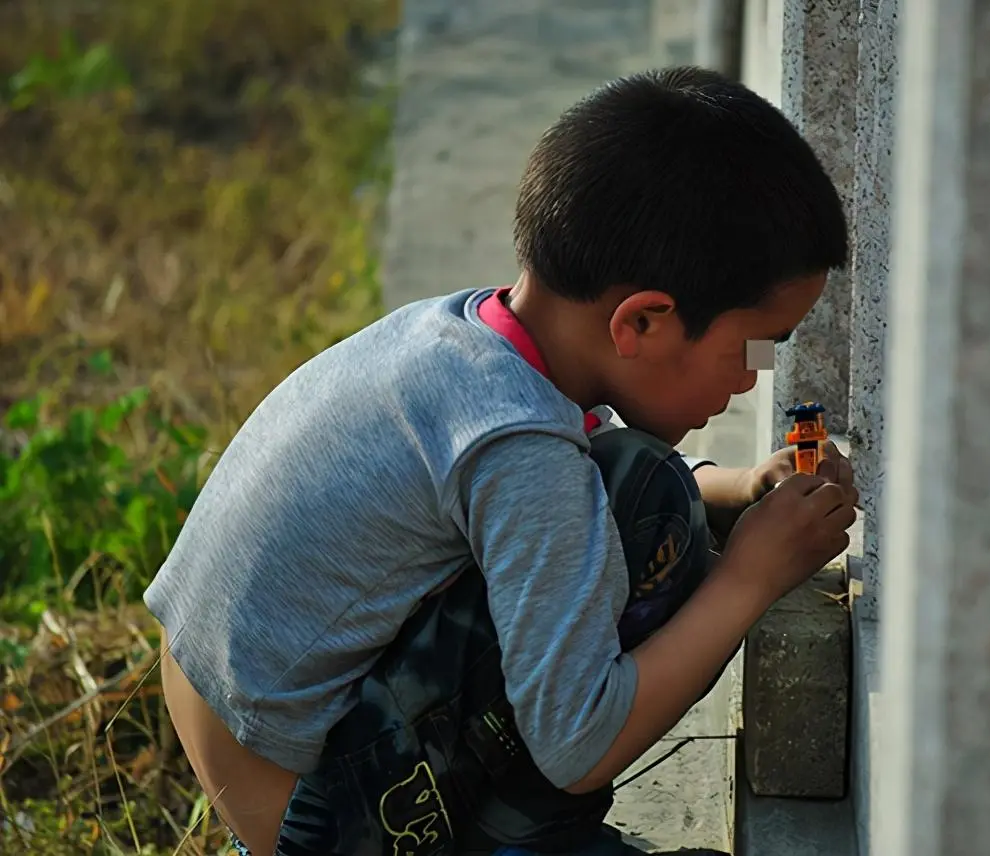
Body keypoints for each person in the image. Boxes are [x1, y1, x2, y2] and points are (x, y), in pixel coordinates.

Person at [145, 65, 859, 855]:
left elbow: (576, 479)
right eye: (753, 346)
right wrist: (749, 578)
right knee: (651, 505)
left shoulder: (477, 343)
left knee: (649, 495)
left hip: (256, 732)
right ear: (645, 322)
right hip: (330, 810)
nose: (753, 375)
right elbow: (579, 742)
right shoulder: (518, 447)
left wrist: (739, 493)